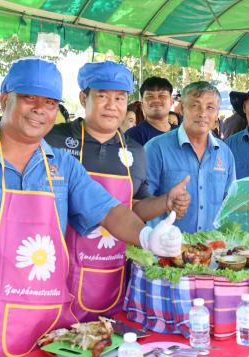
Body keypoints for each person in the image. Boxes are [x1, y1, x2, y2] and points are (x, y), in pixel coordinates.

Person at [0, 58, 183, 357]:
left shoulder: (62, 165)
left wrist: (146, 238)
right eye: (29, 98)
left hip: (49, 333)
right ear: (3, 100)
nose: (40, 109)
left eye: (50, 102)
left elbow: (110, 211)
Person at [45, 61, 191, 321]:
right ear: (83, 98)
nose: (112, 105)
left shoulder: (135, 150)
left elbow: (133, 206)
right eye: (102, 96)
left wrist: (165, 201)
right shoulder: (53, 139)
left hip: (114, 268)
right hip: (56, 268)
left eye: (119, 98)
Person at [145, 81, 236, 233]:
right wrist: (166, 202)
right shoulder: (155, 149)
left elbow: (229, 205)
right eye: (195, 105)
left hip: (211, 250)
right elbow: (139, 204)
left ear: (217, 112)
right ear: (181, 108)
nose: (202, 113)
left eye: (210, 107)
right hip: (165, 250)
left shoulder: (225, 153)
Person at [125, 77, 178, 145]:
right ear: (142, 104)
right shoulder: (133, 135)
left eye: (162, 96)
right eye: (150, 97)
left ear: (171, 101)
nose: (156, 100)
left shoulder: (181, 133)